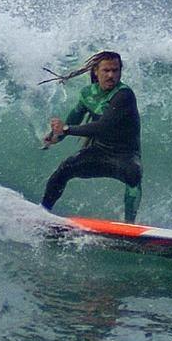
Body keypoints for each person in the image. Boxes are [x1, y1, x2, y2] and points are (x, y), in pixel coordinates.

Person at [40, 51, 142, 222]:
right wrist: (55, 137)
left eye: (115, 71)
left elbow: (102, 127)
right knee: (65, 169)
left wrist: (65, 129)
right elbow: (74, 118)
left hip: (125, 156)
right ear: (96, 71)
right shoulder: (88, 94)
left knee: (134, 176)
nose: (111, 75)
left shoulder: (124, 95)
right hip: (99, 152)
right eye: (106, 70)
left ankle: (130, 227)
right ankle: (42, 213)